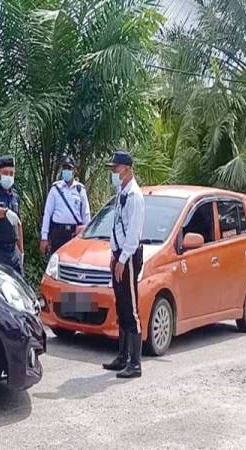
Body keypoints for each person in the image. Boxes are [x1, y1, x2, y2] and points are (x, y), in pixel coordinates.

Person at [102, 150, 145, 379]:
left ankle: (135, 363)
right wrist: (113, 253)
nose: (114, 173)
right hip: (119, 253)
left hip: (128, 256)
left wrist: (122, 258)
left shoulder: (135, 196)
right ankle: (123, 356)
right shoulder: (122, 193)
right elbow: (117, 226)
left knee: (131, 308)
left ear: (126, 169)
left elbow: (133, 234)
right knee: (121, 306)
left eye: (116, 168)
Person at [39, 156, 91, 256]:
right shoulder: (55, 189)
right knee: (55, 264)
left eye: (69, 168)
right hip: (57, 233)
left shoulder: (80, 189)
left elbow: (86, 214)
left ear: (74, 170)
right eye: (65, 168)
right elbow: (47, 213)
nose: (66, 171)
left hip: (74, 234)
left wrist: (87, 235)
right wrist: (44, 237)